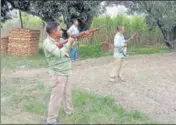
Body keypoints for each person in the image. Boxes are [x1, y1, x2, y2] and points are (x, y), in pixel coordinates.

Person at [43, 21, 75, 124]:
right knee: (56, 98)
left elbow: (69, 47)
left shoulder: (60, 40)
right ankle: (51, 120)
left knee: (67, 94)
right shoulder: (47, 43)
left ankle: (69, 112)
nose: (61, 31)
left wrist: (73, 41)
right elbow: (60, 54)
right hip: (58, 74)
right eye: (59, 29)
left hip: (66, 72)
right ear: (53, 31)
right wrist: (69, 42)